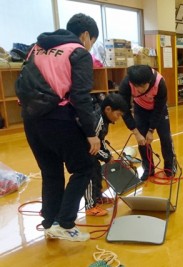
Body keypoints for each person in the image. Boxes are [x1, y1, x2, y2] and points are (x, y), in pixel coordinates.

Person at [18, 13, 100, 241]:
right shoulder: (78, 52)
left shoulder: (37, 47)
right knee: (83, 168)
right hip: (58, 118)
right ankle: (65, 223)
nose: (90, 46)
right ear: (85, 35)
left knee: (51, 173)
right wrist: (91, 134)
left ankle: (49, 223)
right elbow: (80, 96)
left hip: (30, 118)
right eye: (92, 41)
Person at [119, 65, 176, 181]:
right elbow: (124, 110)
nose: (140, 90)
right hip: (140, 109)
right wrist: (136, 132)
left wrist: (151, 130)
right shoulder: (126, 84)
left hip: (158, 109)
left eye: (143, 86)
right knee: (142, 142)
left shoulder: (160, 84)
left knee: (165, 138)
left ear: (149, 81)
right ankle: (148, 168)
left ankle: (169, 166)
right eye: (137, 86)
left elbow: (159, 108)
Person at [84, 93, 128, 216]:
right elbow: (91, 145)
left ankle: (98, 197)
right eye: (118, 114)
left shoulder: (104, 120)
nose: (118, 118)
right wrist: (106, 157)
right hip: (82, 150)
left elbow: (100, 140)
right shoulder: (97, 121)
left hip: (90, 149)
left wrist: (107, 154)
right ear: (108, 109)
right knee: (89, 174)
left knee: (97, 170)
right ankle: (90, 206)